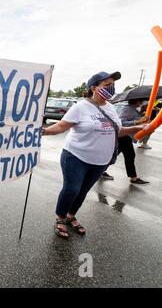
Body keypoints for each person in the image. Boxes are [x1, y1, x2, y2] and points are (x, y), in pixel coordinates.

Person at [42, 72, 146, 239]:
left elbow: (116, 131)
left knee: (83, 191)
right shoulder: (80, 107)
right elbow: (61, 126)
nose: (111, 87)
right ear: (94, 87)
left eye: (112, 84)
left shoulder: (111, 107)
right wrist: (44, 131)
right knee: (72, 189)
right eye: (106, 84)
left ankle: (71, 216)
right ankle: (60, 218)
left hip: (100, 160)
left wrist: (135, 128)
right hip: (76, 156)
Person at [112, 99, 149, 184]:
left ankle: (133, 177)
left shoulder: (134, 109)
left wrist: (142, 119)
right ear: (137, 101)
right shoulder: (128, 108)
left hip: (126, 137)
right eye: (142, 101)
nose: (143, 103)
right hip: (123, 137)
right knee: (129, 156)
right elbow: (121, 122)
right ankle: (133, 178)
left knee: (120, 155)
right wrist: (137, 121)